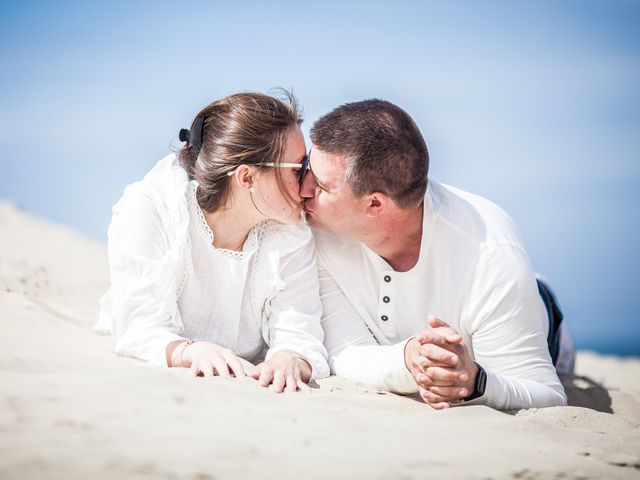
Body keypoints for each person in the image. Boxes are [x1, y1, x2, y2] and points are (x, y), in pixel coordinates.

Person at [300, 99, 574, 409]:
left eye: (320, 184)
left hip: (532, 318)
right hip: (415, 337)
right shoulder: (314, 228)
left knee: (525, 297)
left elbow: (547, 395)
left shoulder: (489, 254)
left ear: (375, 205)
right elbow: (342, 350)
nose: (302, 188)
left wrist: (474, 382)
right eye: (307, 166)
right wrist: (408, 361)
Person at [95, 91, 329, 392]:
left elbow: (300, 330)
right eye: (298, 169)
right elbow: (140, 328)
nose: (309, 182)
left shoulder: (290, 229)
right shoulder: (153, 210)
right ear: (247, 178)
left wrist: (290, 358)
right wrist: (189, 351)